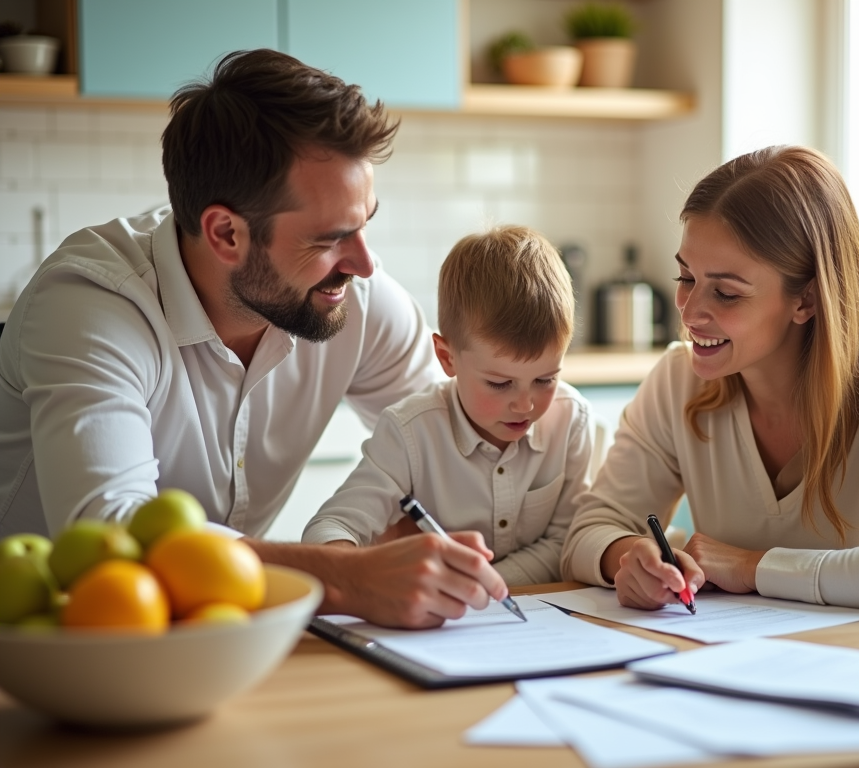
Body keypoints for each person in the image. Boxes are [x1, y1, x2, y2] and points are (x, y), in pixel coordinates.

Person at [0, 49, 513, 628]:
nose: (365, 265)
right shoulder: (90, 304)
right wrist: (346, 574)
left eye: (365, 223)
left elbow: (453, 447)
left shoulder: (354, 301)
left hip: (219, 633)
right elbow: (111, 533)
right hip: (40, 641)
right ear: (226, 234)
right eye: (329, 239)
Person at [561, 145, 859, 616]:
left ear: (806, 300)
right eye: (685, 277)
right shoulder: (679, 381)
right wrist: (625, 556)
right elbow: (589, 529)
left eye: (726, 292)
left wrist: (753, 567)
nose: (690, 311)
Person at [302, 225, 595, 587]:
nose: (525, 404)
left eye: (545, 379)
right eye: (500, 383)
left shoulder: (571, 419)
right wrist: (363, 573)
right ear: (446, 357)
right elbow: (328, 527)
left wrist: (482, 584)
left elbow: (567, 540)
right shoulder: (410, 431)